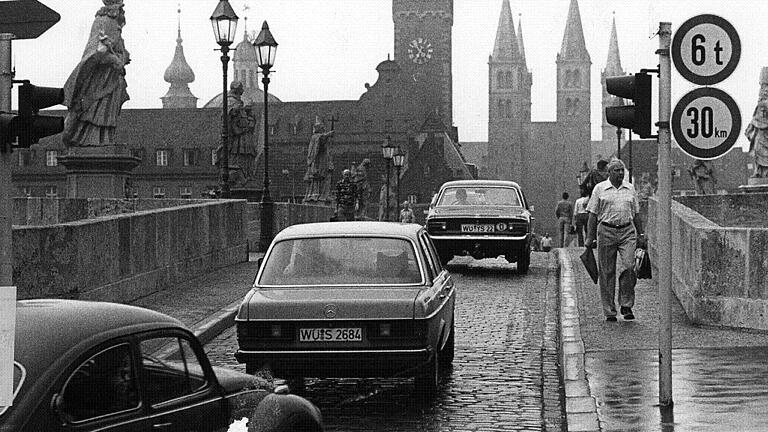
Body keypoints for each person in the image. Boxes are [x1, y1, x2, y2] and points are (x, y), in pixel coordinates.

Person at [62, 0, 130, 147]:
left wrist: (123, 57)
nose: (123, 13)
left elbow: (119, 48)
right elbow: (95, 50)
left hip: (112, 77)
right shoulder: (103, 21)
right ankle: (90, 139)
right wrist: (114, 59)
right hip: (99, 79)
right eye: (121, 8)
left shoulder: (115, 25)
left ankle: (104, 139)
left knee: (107, 110)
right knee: (95, 107)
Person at [585, 159, 645, 322]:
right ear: (609, 173)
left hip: (627, 230)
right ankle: (610, 310)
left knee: (629, 266)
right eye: (617, 170)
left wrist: (641, 234)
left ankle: (626, 304)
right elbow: (592, 214)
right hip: (606, 230)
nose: (620, 173)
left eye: (622, 170)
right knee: (606, 271)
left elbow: (636, 213)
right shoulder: (600, 189)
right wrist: (590, 237)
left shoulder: (630, 188)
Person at [223, 81, 258, 187]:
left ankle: (246, 176)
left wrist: (247, 114)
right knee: (239, 156)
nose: (243, 91)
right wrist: (238, 109)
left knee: (246, 156)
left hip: (245, 137)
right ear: (237, 89)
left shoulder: (239, 102)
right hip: (238, 137)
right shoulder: (230, 101)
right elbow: (228, 116)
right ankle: (240, 177)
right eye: (241, 89)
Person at [303, 119, 335, 202]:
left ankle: (325, 194)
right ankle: (317, 195)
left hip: (325, 160)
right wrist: (328, 135)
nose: (323, 129)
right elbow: (320, 140)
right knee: (318, 177)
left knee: (326, 177)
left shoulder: (321, 136)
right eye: (322, 128)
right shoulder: (315, 137)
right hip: (318, 160)